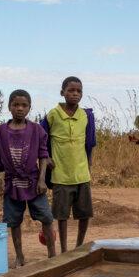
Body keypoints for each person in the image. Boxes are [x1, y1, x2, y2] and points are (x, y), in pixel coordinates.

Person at [0, 90, 56, 266]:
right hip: (11, 183)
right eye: (16, 105)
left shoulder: (37, 130)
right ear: (9, 107)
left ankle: (52, 254)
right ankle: (19, 256)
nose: (20, 108)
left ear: (29, 107)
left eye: (24, 105)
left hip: (34, 182)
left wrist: (42, 179)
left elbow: (43, 156)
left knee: (46, 217)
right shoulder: (0, 132)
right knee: (14, 221)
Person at [43, 76, 96, 252]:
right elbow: (41, 138)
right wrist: (46, 157)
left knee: (84, 213)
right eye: (71, 90)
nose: (75, 94)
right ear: (62, 92)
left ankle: (79, 247)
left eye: (78, 91)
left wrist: (88, 165)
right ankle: (65, 250)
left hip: (81, 173)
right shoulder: (53, 115)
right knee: (62, 215)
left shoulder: (86, 116)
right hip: (61, 174)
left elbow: (90, 143)